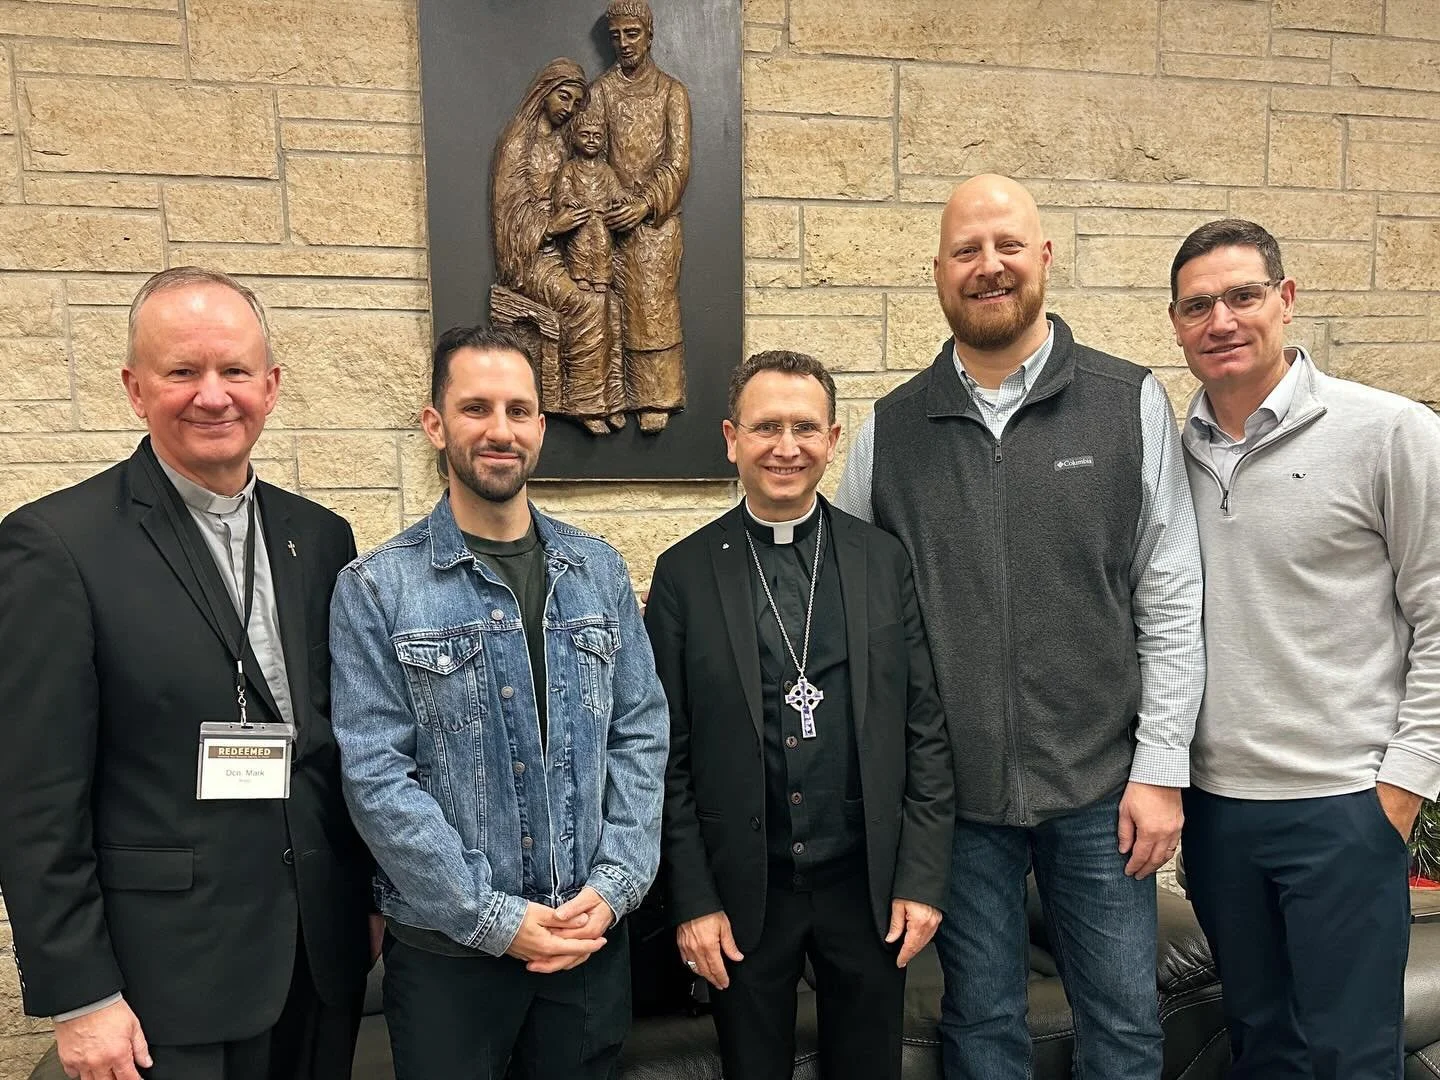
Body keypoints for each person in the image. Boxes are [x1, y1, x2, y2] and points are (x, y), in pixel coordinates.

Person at [833, 174, 1204, 1080]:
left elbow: (1171, 596)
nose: (988, 266)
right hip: (953, 803)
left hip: (1101, 792)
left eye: (1007, 246)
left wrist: (1160, 770)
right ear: (937, 272)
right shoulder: (890, 431)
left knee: (1122, 1028)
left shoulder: (1128, 403)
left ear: (1043, 257)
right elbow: (847, 601)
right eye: (967, 250)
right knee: (982, 1026)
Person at [0, 267, 374, 1080]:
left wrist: (368, 898)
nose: (214, 396)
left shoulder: (322, 537)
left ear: (271, 387)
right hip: (164, 983)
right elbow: (32, 798)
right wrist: (80, 995)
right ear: (135, 389)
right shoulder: (55, 547)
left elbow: (338, 743)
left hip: (320, 959)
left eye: (235, 371)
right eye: (182, 372)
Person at [328, 324, 669, 1079]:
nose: (499, 430)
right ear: (435, 423)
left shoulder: (598, 571)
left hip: (584, 939)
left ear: (541, 428)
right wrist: (493, 919)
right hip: (448, 955)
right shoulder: (377, 589)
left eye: (519, 410)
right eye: (476, 408)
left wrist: (615, 885)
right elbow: (378, 779)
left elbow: (641, 734)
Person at [1170, 218, 1440, 1080]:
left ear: (1285, 300)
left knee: (1353, 1056)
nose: (1222, 320)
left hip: (1345, 806)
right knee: (1262, 1046)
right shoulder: (1169, 455)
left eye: (1243, 295)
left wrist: (1401, 788)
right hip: (1217, 815)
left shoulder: (1389, 433)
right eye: (1198, 305)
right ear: (1175, 325)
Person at [646, 350, 954, 1080]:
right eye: (766, 427)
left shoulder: (883, 561)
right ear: (731, 438)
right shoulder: (685, 573)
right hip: (747, 892)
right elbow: (663, 754)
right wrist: (692, 901)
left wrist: (920, 878)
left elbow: (925, 729)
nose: (787, 446)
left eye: (805, 428)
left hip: (866, 887)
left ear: (833, 438)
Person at [491, 57, 624, 433]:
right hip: (530, 257)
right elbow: (509, 216)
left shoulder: (562, 143)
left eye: (574, 103)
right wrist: (551, 226)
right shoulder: (518, 144)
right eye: (562, 97)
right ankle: (583, 404)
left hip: (565, 250)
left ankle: (610, 400)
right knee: (584, 304)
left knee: (611, 305)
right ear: (543, 93)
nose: (567, 109)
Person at [588, 0, 691, 433]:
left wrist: (646, 203)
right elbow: (587, 148)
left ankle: (656, 397)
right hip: (608, 218)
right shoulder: (601, 92)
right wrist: (607, 198)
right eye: (616, 36)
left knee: (652, 310)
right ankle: (608, 396)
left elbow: (678, 161)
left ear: (648, 35)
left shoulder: (672, 93)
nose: (624, 44)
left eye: (632, 34)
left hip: (654, 224)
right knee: (605, 308)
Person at [551, 108, 626, 293]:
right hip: (580, 220)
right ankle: (581, 275)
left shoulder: (606, 170)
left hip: (600, 219)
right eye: (585, 135)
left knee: (601, 246)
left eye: (597, 136)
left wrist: (621, 197)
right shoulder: (569, 168)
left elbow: (615, 190)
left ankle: (601, 277)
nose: (591, 140)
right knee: (580, 247)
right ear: (574, 138)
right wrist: (568, 200)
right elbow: (562, 191)